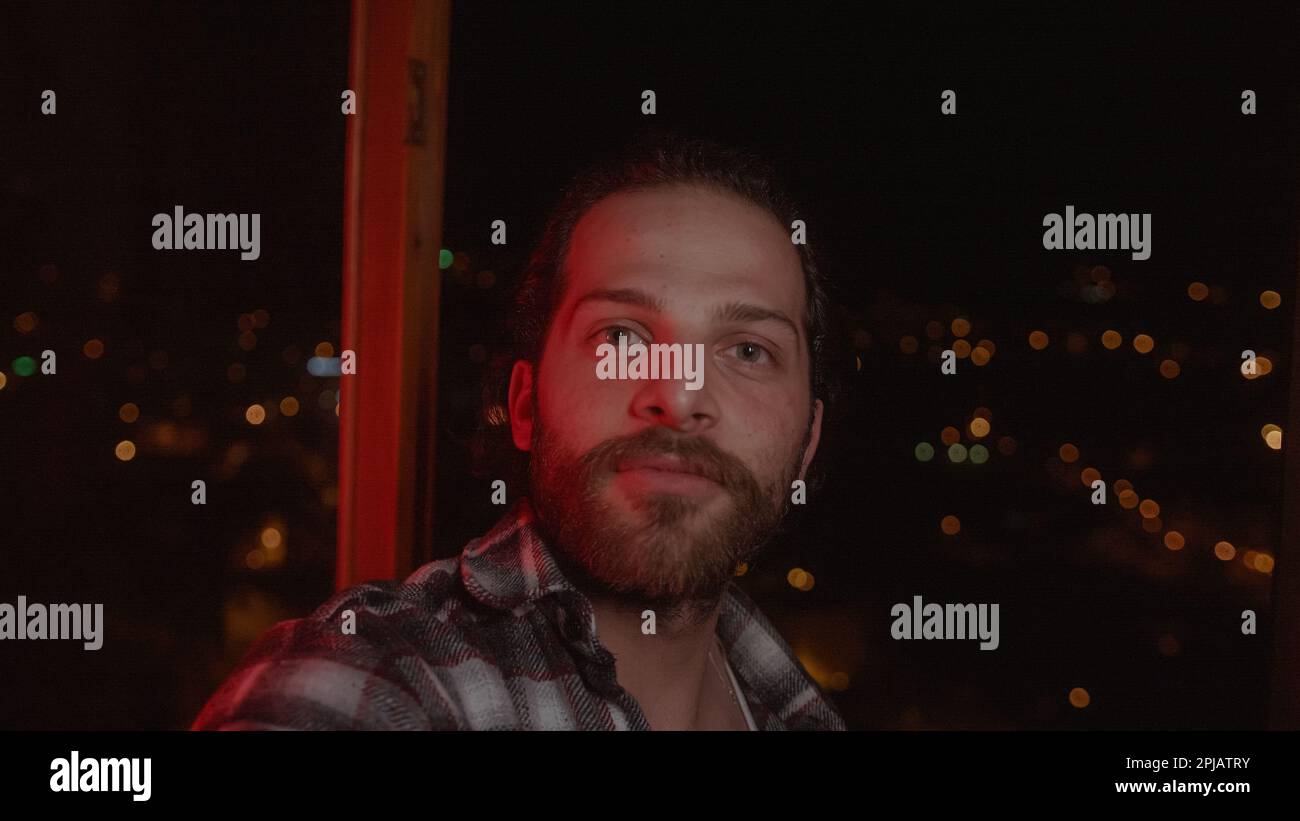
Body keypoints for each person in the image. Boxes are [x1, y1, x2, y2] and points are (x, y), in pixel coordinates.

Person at [193, 132, 846, 731]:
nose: (678, 396)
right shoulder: (372, 674)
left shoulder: (789, 705)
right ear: (527, 406)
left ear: (808, 439)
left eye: (749, 350)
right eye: (620, 336)